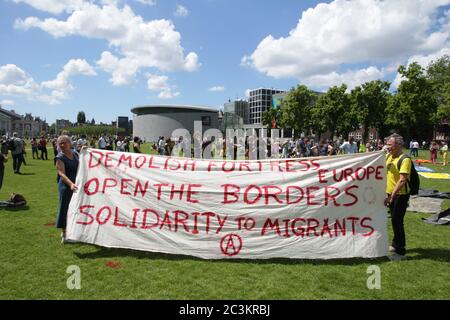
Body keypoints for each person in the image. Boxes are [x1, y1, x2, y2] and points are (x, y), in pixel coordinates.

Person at [384, 133, 411, 261]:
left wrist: (391, 197)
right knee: (394, 220)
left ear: (399, 145)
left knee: (397, 221)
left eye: (390, 144)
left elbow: (402, 180)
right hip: (391, 194)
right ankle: (395, 244)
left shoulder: (404, 159)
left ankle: (400, 251)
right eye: (387, 144)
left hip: (400, 195)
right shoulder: (389, 156)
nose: (387, 146)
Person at [55, 135, 80, 243]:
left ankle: (72, 231)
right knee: (64, 208)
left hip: (76, 185)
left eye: (65, 142)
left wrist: (85, 150)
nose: (62, 145)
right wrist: (70, 184)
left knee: (75, 208)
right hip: (66, 186)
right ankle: (64, 234)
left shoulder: (75, 154)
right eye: (60, 143)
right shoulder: (60, 157)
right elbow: (61, 173)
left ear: (70, 143)